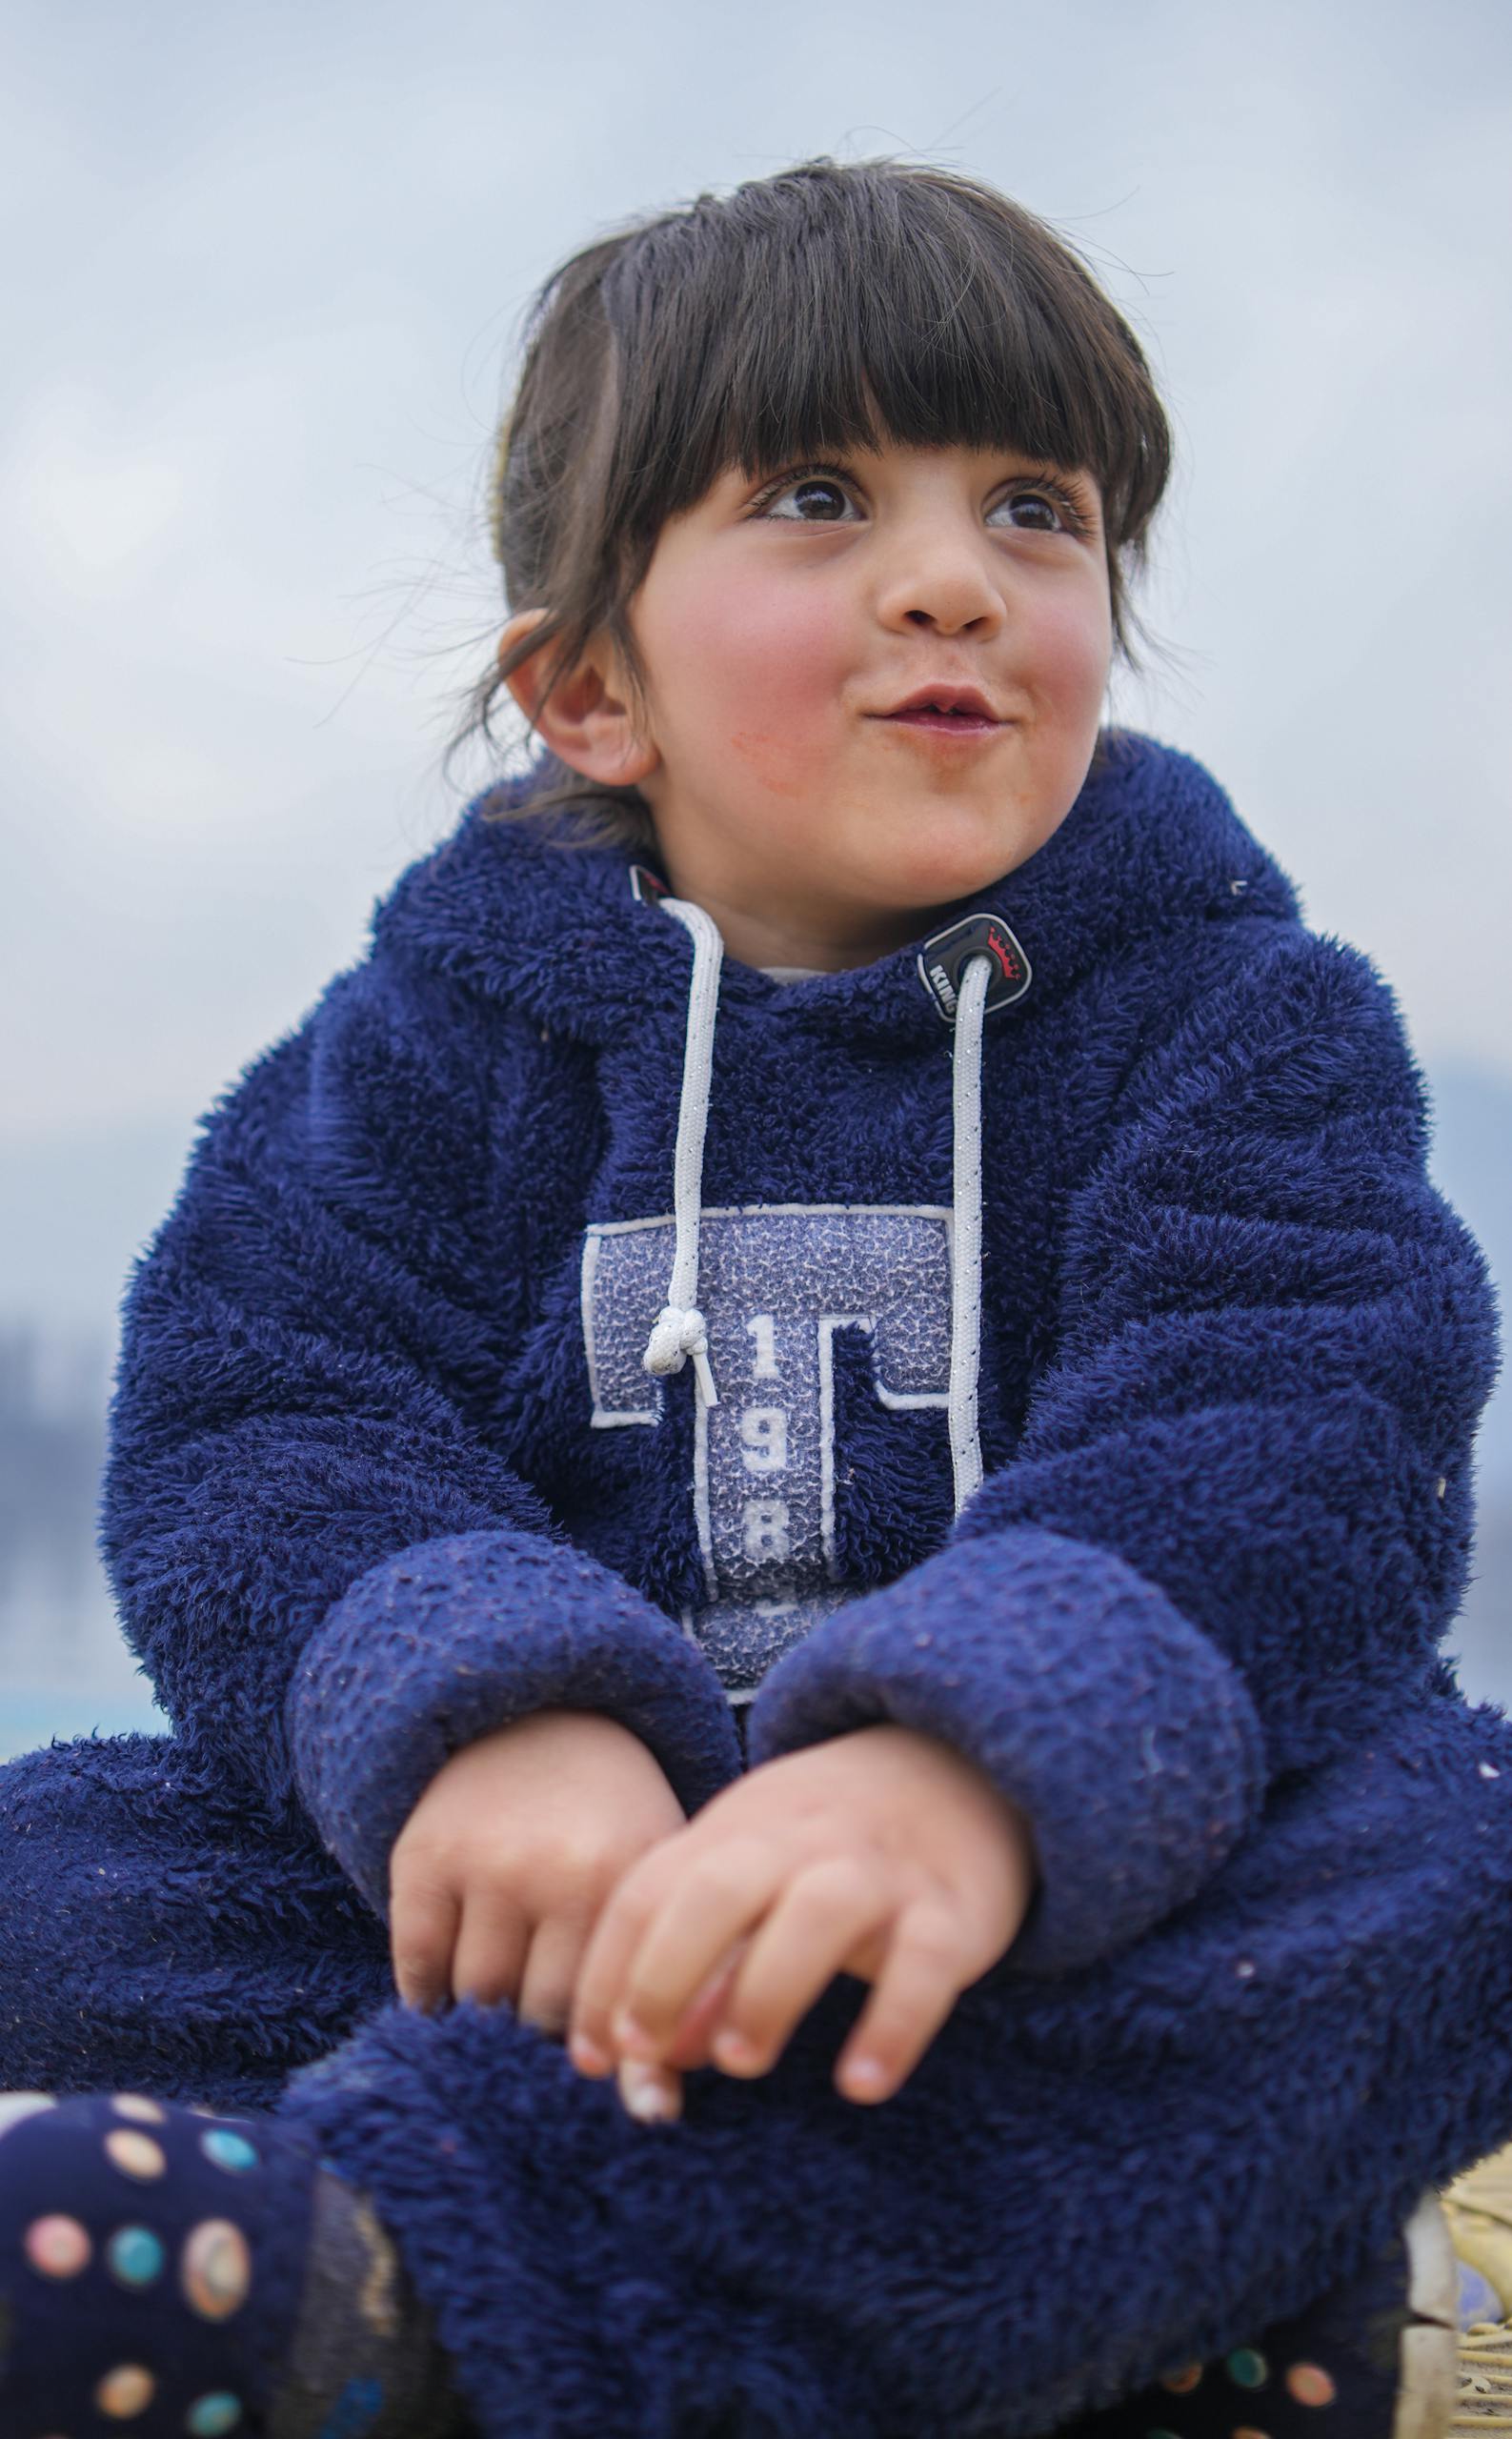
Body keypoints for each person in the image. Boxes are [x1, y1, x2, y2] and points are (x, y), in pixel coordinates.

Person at [0, 153, 1506, 2439]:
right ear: (590, 684)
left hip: (1036, 1905)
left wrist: (962, 1762)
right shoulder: (431, 1040)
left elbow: (1289, 1428)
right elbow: (258, 1418)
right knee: (62, 1866)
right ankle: (1144, 2305)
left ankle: (382, 2296)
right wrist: (486, 1709)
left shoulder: (1235, 1019)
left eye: (1034, 508)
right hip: (565, 1903)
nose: (951, 582)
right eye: (818, 493)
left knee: (1449, 1867)